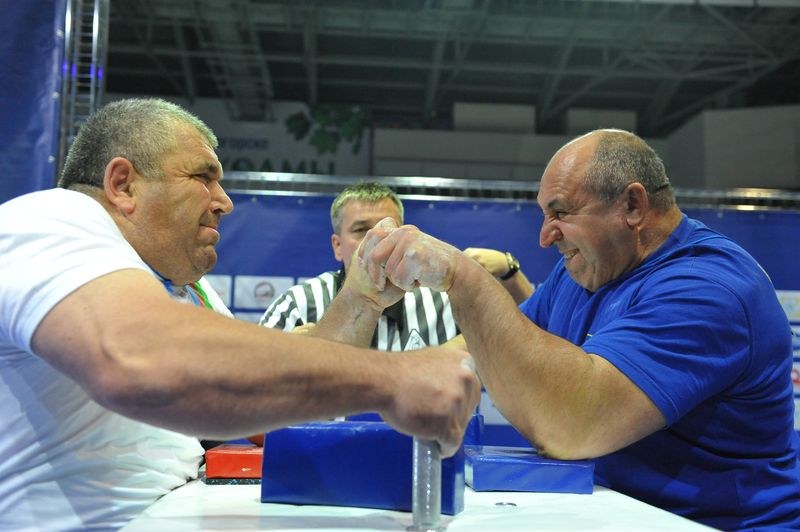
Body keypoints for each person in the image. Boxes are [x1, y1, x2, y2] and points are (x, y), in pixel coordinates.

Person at [0, 98, 480, 530]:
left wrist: (362, 300)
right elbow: (142, 360)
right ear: (122, 184)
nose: (224, 202)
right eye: (203, 177)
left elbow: (268, 395)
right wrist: (394, 378)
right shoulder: (49, 220)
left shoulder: (188, 288)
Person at [332, 129, 800, 530]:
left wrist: (462, 278)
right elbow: (476, 353)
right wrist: (353, 363)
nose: (545, 235)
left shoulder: (710, 289)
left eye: (561, 212)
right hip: (623, 514)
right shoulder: (585, 272)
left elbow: (573, 427)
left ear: (633, 205)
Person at [259, 182, 458, 350]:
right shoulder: (297, 308)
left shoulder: (444, 308)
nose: (376, 239)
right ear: (337, 246)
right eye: (361, 229)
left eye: (387, 229)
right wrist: (284, 358)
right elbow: (249, 385)